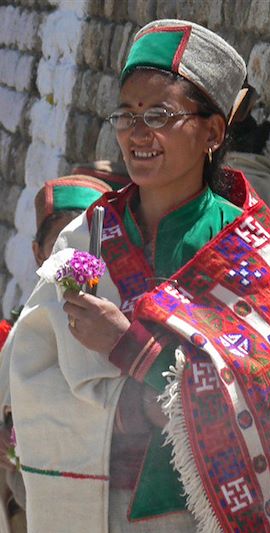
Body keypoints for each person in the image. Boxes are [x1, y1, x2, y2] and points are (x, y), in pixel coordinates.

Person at [4, 19, 270, 532]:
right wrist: (121, 414)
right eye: (127, 114)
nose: (138, 132)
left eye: (159, 114)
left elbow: (263, 383)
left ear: (213, 131)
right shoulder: (87, 235)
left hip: (200, 509)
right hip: (95, 505)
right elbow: (29, 369)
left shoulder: (251, 246)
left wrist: (130, 347)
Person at [0, 174, 112, 533]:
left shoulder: (116, 320)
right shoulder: (25, 334)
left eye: (85, 248)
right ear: (38, 254)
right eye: (60, 248)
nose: (74, 261)